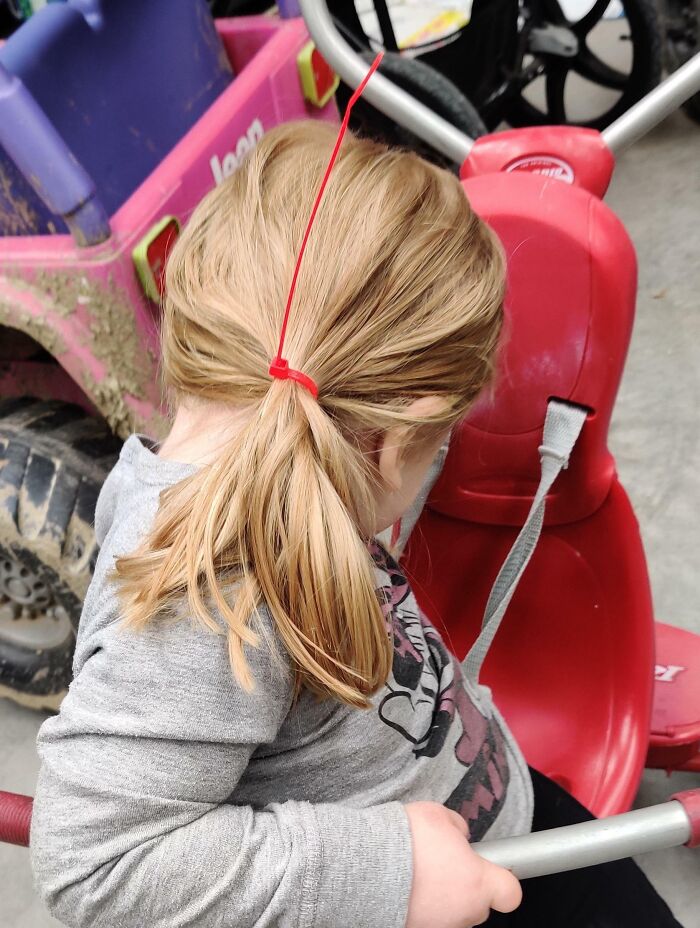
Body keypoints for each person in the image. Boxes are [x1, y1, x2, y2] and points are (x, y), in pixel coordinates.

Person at [30, 121, 682, 928]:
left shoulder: (280, 459)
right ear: (396, 439)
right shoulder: (204, 602)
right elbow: (96, 864)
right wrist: (391, 872)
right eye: (438, 449)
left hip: (484, 792)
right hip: (417, 890)